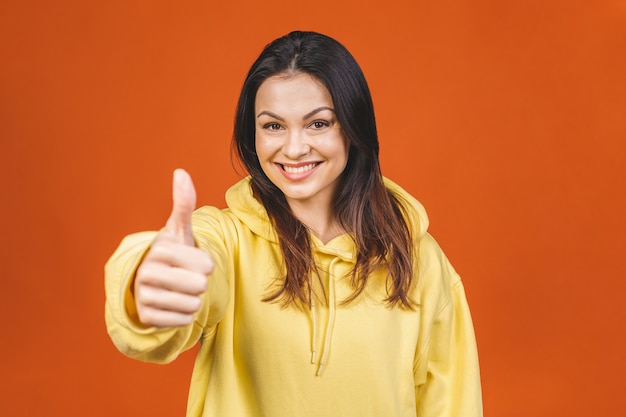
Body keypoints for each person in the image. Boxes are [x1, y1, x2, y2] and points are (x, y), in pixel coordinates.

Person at [105, 30, 482, 417]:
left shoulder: (419, 260)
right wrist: (147, 280)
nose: (294, 147)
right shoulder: (226, 240)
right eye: (273, 126)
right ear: (252, 135)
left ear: (352, 128)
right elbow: (164, 315)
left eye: (318, 124)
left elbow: (453, 405)